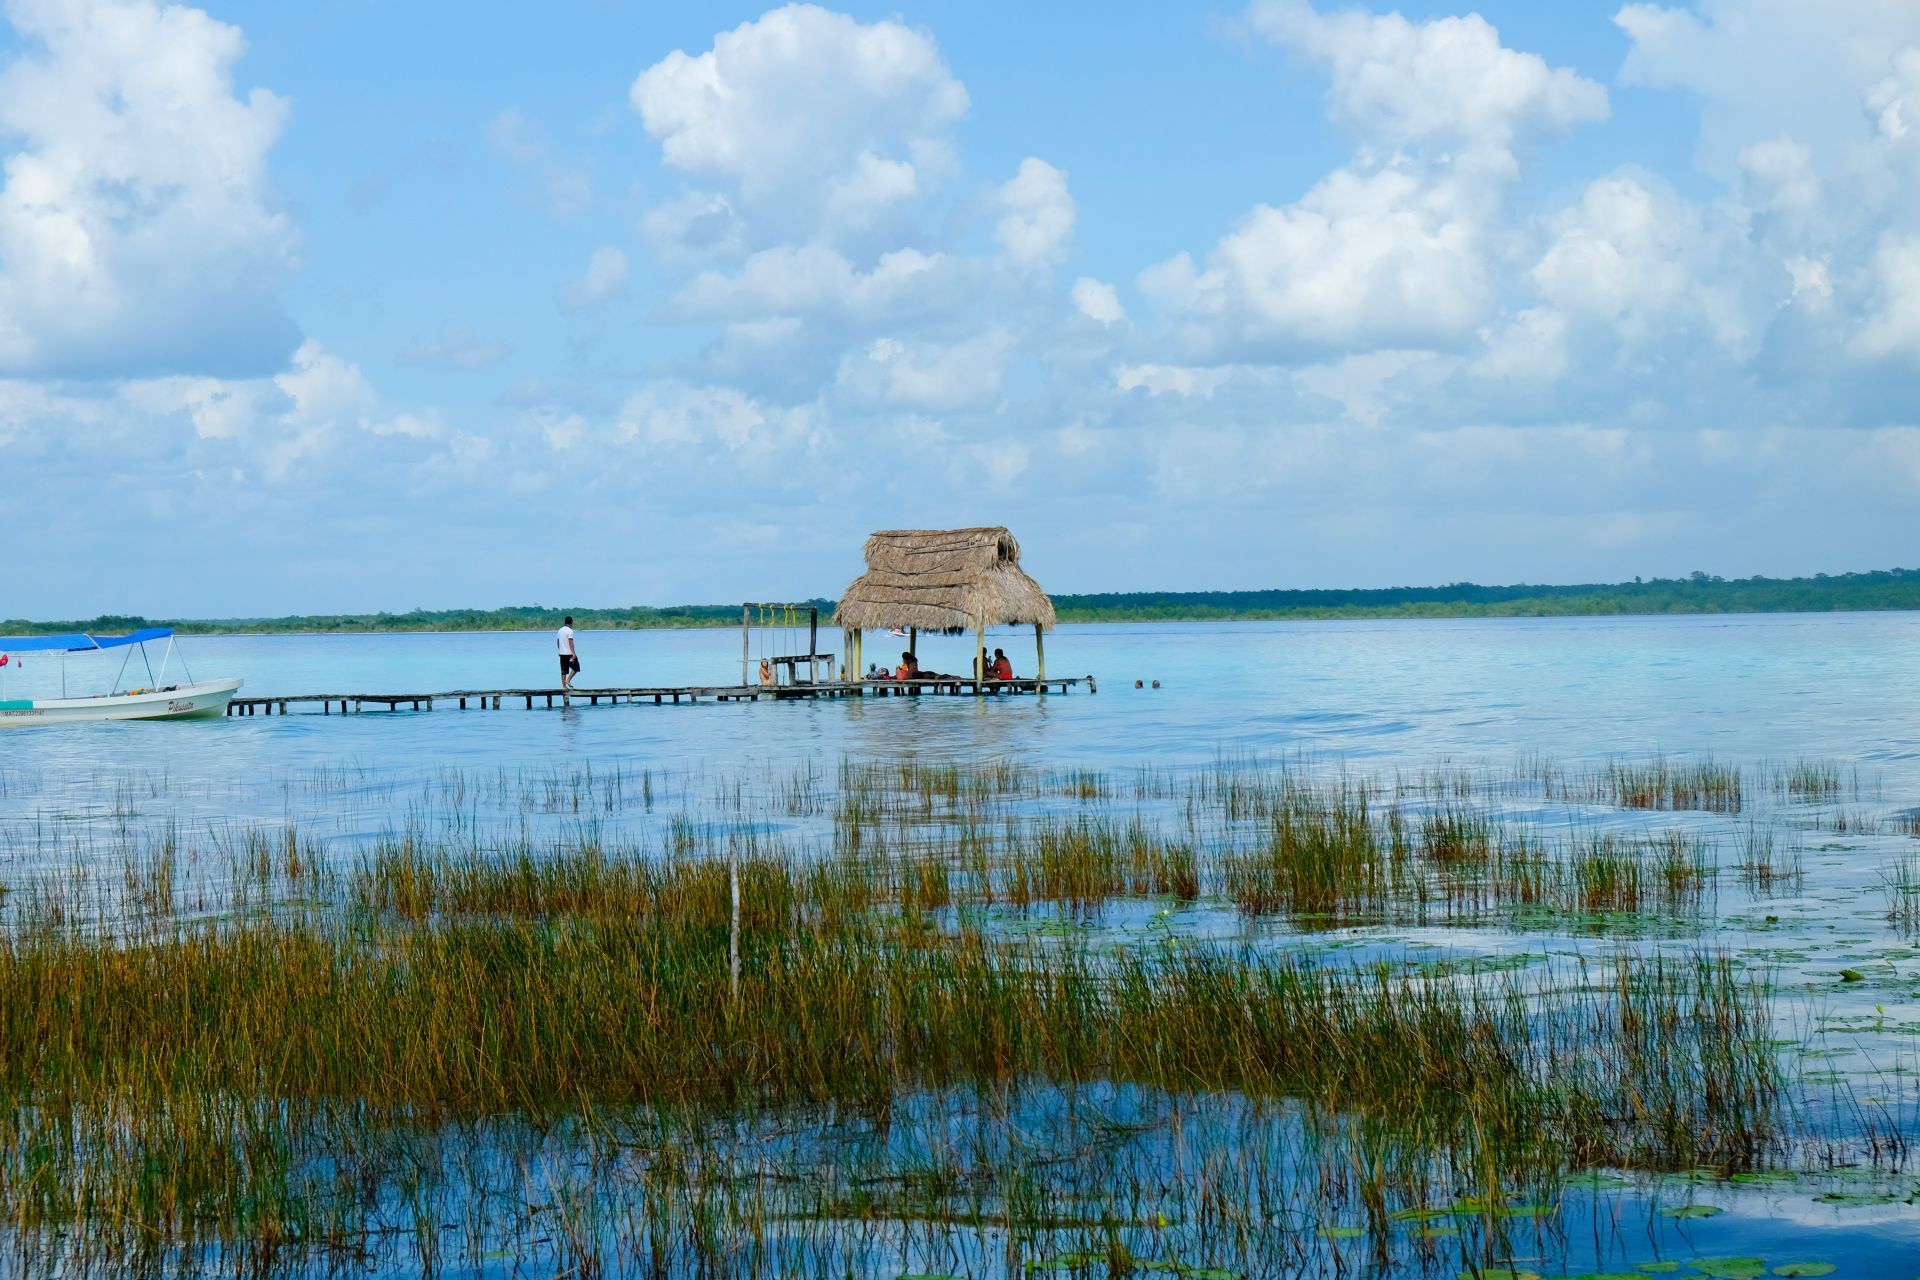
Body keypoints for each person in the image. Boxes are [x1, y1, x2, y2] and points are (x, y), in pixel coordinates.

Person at [556, 616, 580, 691]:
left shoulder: (560, 630)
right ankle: (568, 680)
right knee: (576, 667)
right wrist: (573, 653)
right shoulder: (570, 631)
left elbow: (558, 641)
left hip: (562, 653)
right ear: (571, 622)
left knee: (563, 670)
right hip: (569, 654)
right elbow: (571, 642)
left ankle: (564, 686)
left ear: (565, 622)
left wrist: (560, 650)